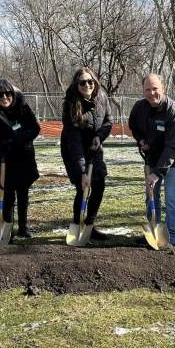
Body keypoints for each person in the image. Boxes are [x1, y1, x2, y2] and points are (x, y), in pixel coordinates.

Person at [128, 73, 175, 249]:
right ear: (143, 90)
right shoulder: (139, 108)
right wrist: (141, 140)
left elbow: (172, 146)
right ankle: (154, 232)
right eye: (148, 89)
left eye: (155, 89)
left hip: (173, 158)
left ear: (163, 88)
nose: (152, 93)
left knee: (171, 197)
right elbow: (134, 126)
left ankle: (172, 236)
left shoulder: (173, 111)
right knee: (151, 195)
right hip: (152, 156)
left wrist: (157, 173)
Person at [0, 79, 41, 238]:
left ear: (13, 94)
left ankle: (23, 227)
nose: (5, 97)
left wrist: (18, 138)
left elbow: (35, 128)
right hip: (3, 160)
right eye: (0, 94)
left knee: (23, 194)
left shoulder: (23, 108)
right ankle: (6, 227)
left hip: (23, 157)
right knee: (7, 195)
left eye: (8, 93)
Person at [60, 67, 113, 241]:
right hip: (73, 150)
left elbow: (108, 121)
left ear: (95, 82)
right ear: (77, 84)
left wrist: (99, 137)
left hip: (94, 146)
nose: (87, 85)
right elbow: (73, 140)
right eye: (82, 82)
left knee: (99, 185)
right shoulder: (70, 104)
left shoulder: (101, 97)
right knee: (83, 187)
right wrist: (82, 171)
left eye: (90, 81)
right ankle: (77, 224)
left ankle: (89, 225)